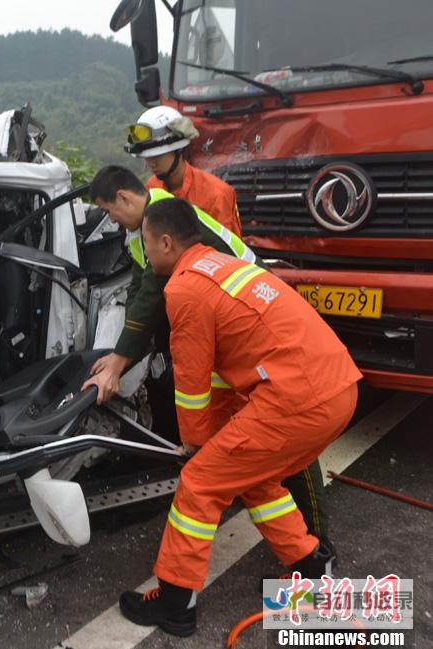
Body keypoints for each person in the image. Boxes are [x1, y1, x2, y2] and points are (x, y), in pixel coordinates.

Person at [118, 197, 361, 637]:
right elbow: (226, 373)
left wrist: (194, 446)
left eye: (147, 244)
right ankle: (311, 563)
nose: (146, 252)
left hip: (297, 400)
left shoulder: (184, 290)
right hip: (337, 388)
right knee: (254, 478)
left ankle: (176, 602)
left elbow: (192, 385)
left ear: (167, 242)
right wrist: (216, 437)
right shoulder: (221, 265)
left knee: (201, 484)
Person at [80, 166, 333, 550]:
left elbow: (149, 299)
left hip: (254, 331)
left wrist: (117, 364)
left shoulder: (162, 220)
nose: (111, 220)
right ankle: (295, 538)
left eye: (110, 210)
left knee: (287, 442)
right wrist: (118, 353)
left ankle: (318, 538)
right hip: (228, 330)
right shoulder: (144, 231)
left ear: (124, 198)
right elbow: (139, 292)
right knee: (250, 443)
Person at [126, 106, 242, 237]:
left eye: (157, 156)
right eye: (147, 157)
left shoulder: (216, 194)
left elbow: (229, 251)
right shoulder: (152, 188)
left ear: (179, 149)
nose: (151, 163)